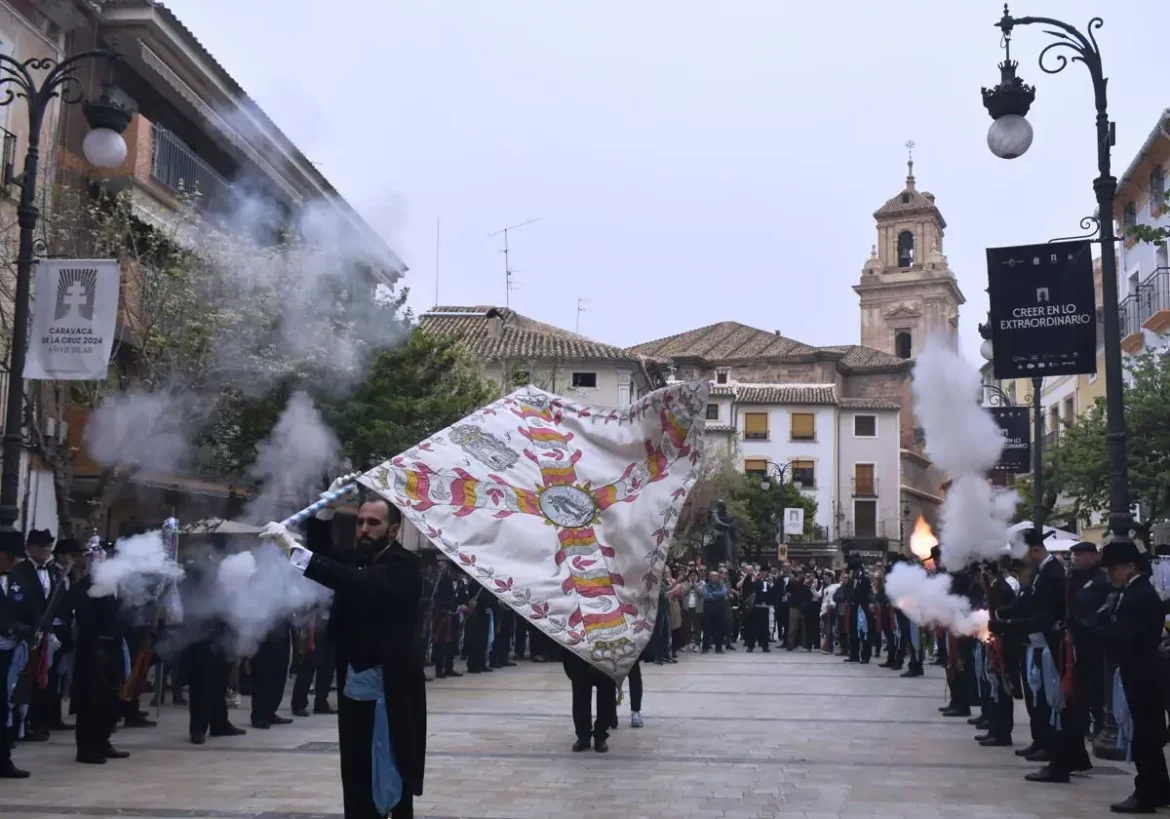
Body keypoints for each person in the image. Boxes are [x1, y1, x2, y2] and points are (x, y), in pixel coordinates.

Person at [265, 488, 426, 819]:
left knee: (390, 769)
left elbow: (353, 581)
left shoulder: (403, 565)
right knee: (355, 770)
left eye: (373, 523)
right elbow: (326, 553)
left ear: (393, 530)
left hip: (391, 691)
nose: (364, 529)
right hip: (355, 686)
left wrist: (293, 550)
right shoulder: (361, 557)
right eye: (360, 521)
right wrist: (325, 512)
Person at [1100, 539, 1170, 813]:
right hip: (1141, 670)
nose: (1110, 575)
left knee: (1145, 735)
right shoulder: (1134, 591)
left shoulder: (1139, 595)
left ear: (1129, 567)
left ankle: (1147, 791)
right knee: (1147, 732)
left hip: (1143, 671)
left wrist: (1100, 631)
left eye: (1113, 569)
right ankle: (1160, 786)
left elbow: (1127, 635)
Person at [71, 539, 131, 765]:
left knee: (110, 699)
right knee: (91, 700)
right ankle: (86, 748)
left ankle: (103, 741)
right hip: (93, 650)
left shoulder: (114, 586)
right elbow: (85, 621)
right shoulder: (86, 586)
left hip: (112, 647)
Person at [1068, 541, 1110, 739]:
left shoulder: (1101, 579)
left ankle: (1101, 722)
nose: (1076, 558)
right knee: (1079, 685)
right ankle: (1082, 722)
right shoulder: (1072, 578)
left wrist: (1087, 622)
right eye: (1075, 554)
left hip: (1095, 639)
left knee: (1096, 685)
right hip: (1076, 639)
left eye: (1081, 554)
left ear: (1094, 556)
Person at [0, 530, 31, 778]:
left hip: (9, 651)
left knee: (6, 706)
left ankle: (3, 758)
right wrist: (8, 625)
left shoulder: (15, 579)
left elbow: (24, 606)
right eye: (9, 557)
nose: (13, 562)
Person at [701, 571, 728, 653]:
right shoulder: (705, 586)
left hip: (719, 609)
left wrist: (712, 594)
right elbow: (705, 596)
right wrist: (717, 596)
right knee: (707, 629)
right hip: (708, 609)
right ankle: (705, 648)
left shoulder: (722, 585)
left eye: (716, 576)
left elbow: (723, 593)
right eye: (712, 576)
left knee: (719, 629)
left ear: (718, 577)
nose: (714, 578)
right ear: (709, 577)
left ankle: (718, 648)